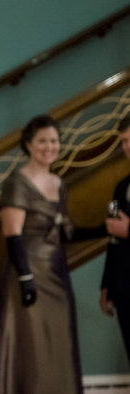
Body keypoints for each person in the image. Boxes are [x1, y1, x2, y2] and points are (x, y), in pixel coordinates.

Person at [0, 115, 92, 393]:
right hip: (27, 273)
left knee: (58, 342)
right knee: (30, 346)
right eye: (42, 141)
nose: (49, 147)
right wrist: (25, 277)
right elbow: (12, 234)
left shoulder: (58, 182)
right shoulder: (16, 182)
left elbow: (67, 232)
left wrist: (107, 229)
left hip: (57, 272)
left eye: (54, 141)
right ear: (29, 144)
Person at [100, 114, 130, 363]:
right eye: (124, 141)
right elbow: (112, 236)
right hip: (123, 289)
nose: (128, 146)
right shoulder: (119, 188)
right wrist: (106, 285)